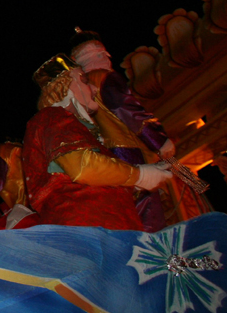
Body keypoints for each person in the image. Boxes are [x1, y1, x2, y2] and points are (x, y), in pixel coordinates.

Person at [70, 28, 211, 225]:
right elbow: (126, 108)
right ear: (100, 54)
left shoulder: (77, 89)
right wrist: (158, 139)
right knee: (146, 210)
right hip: (126, 152)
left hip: (102, 159)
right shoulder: (104, 77)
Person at [22, 54, 173, 230]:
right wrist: (140, 175)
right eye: (85, 81)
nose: (94, 89)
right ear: (65, 85)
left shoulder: (79, 132)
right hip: (89, 230)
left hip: (112, 230)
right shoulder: (53, 117)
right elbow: (82, 166)